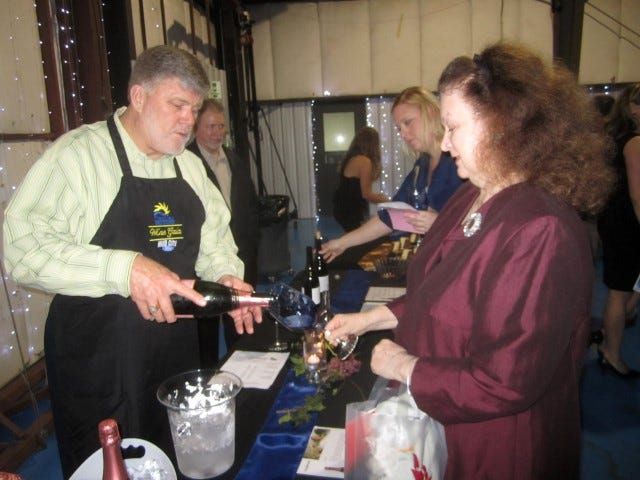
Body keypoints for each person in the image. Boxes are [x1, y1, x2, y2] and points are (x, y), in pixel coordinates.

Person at [325, 43, 615, 479]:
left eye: (453, 127)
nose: (444, 143)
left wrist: (405, 367)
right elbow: (437, 296)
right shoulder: (470, 197)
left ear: (502, 127)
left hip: (502, 446)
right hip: (450, 422)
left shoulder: (540, 229)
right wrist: (368, 320)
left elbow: (503, 381)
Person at [3, 45, 261, 477]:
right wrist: (126, 269)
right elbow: (22, 248)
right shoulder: (80, 157)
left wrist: (226, 275)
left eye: (195, 109)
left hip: (173, 356)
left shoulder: (189, 168)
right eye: (177, 105)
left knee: (174, 462)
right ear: (138, 96)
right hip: (98, 366)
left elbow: (215, 242)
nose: (188, 121)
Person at [321, 87, 462, 262]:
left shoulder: (459, 162)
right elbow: (390, 217)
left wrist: (441, 223)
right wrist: (342, 243)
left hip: (458, 260)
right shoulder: (421, 166)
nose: (403, 134)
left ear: (431, 112)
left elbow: (483, 219)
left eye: (408, 122)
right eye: (399, 128)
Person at [188, 99, 260, 364]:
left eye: (221, 126)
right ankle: (208, 371)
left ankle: (238, 364)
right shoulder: (186, 162)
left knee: (239, 322)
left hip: (239, 255)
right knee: (205, 328)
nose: (217, 132)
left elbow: (249, 204)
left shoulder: (234, 159)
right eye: (211, 127)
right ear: (196, 128)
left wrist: (251, 246)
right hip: (202, 260)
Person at [596, 83, 640, 377]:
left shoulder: (617, 138)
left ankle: (610, 336)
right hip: (626, 223)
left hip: (615, 219)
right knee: (620, 291)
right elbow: (637, 194)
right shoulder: (634, 143)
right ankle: (611, 352)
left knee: (622, 289)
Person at [332, 126, 388, 232]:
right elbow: (366, 194)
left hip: (341, 206)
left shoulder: (351, 158)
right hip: (349, 209)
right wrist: (387, 201)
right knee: (356, 236)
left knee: (352, 235)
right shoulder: (365, 161)